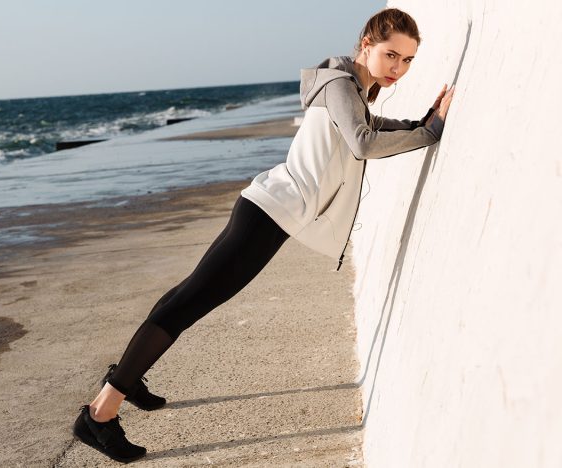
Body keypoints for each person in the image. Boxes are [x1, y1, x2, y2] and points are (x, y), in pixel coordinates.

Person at [72, 7, 455, 463]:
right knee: (188, 303)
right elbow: (363, 142)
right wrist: (429, 133)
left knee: (186, 295)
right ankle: (100, 414)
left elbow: (369, 128)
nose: (398, 68)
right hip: (268, 214)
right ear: (366, 46)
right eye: (391, 55)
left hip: (268, 209)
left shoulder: (351, 88)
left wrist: (419, 123)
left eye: (408, 60)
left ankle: (129, 378)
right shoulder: (340, 85)